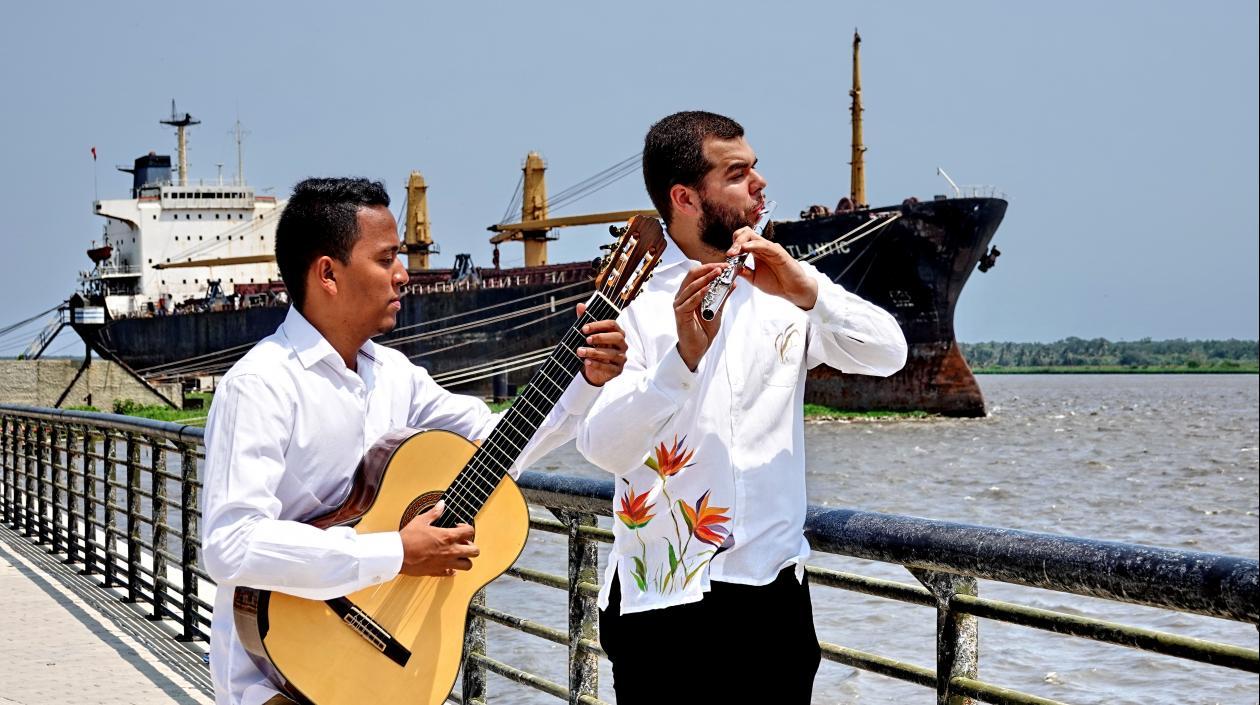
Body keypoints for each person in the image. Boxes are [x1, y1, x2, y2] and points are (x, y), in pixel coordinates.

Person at [200, 177, 628, 705]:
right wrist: (394, 552)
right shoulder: (261, 385)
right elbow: (229, 545)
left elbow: (500, 441)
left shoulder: (394, 375)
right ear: (328, 274)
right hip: (276, 675)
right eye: (385, 260)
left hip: (386, 673)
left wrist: (582, 375)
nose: (404, 275)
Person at [577, 111, 907, 703]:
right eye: (736, 173)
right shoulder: (633, 301)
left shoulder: (786, 291)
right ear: (684, 197)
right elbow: (601, 447)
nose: (759, 182)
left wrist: (809, 288)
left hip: (773, 600)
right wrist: (680, 361)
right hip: (664, 604)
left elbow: (889, 353)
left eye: (754, 167)